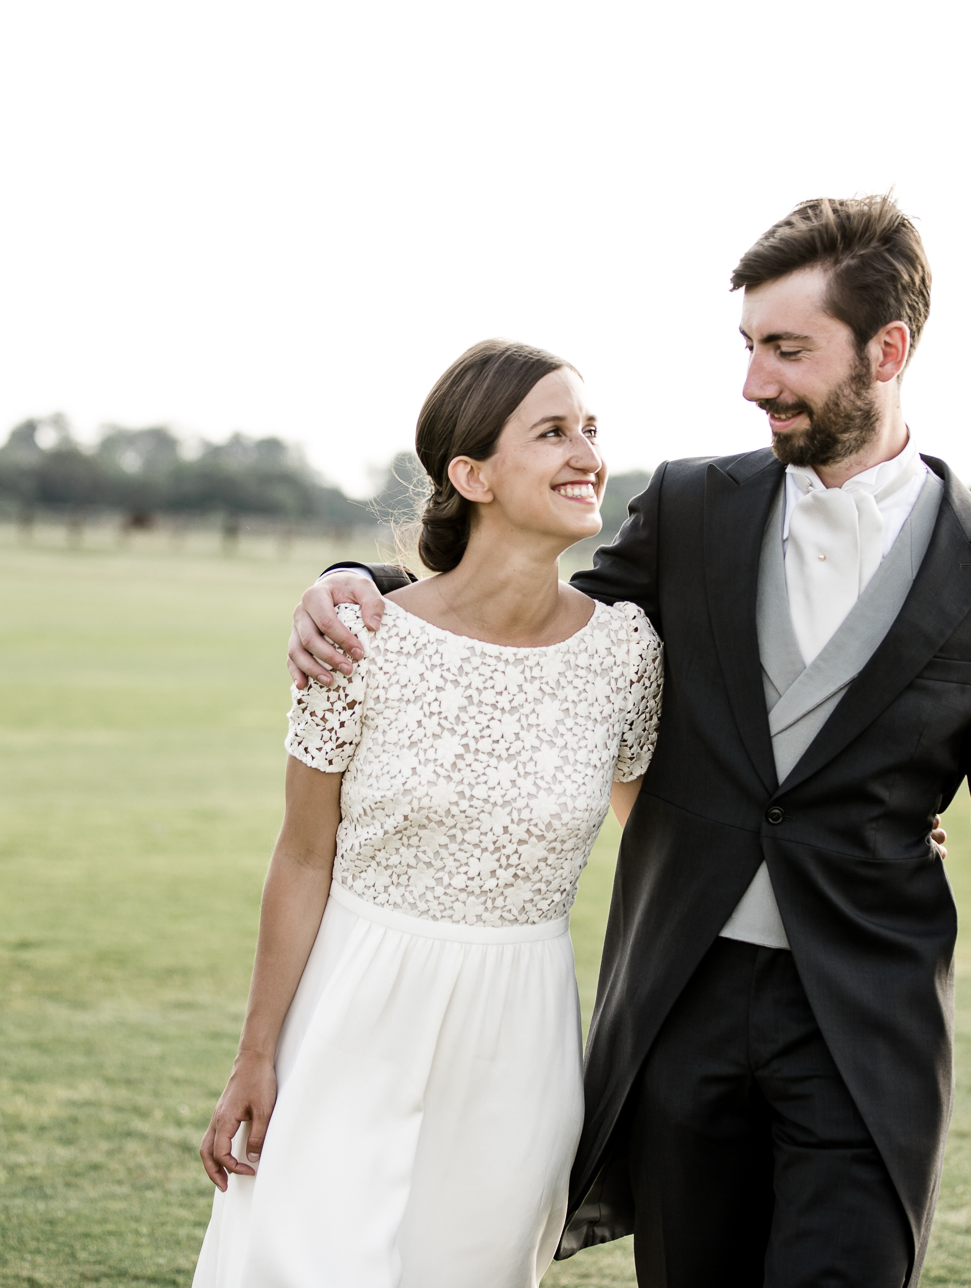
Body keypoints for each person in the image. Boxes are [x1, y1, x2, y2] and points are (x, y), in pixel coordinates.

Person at [289, 196, 971, 1287]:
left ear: (886, 350)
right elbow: (528, 610)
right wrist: (364, 585)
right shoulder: (690, 509)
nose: (753, 381)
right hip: (682, 1004)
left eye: (786, 349)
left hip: (866, 1028)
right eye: (748, 347)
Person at [190, 339, 666, 1288]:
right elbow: (301, 857)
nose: (587, 455)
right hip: (351, 1009)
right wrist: (255, 1053)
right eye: (553, 432)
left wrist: (860, 826)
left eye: (592, 430)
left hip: (520, 1035)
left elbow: (664, 828)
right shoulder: (358, 636)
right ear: (472, 473)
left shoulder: (625, 652)